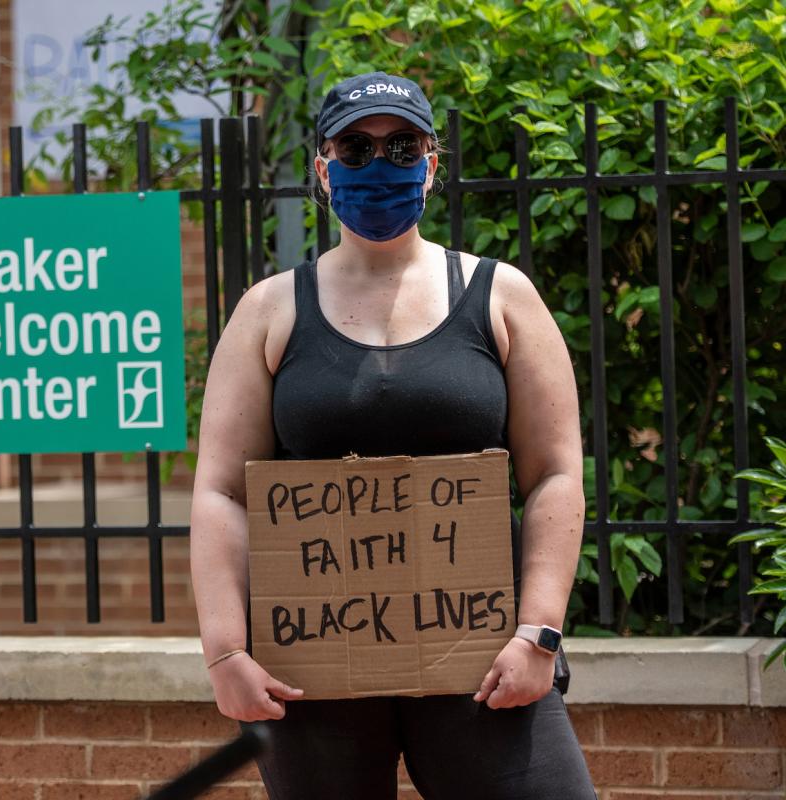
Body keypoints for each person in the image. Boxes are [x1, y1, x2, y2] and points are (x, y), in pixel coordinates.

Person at [189, 70, 597, 799]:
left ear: (432, 164)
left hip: (483, 660)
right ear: (323, 167)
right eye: (356, 147)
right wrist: (225, 652)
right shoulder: (268, 312)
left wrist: (539, 633)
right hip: (311, 673)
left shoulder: (501, 297)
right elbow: (221, 490)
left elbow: (556, 474)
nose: (380, 164)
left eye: (402, 146)